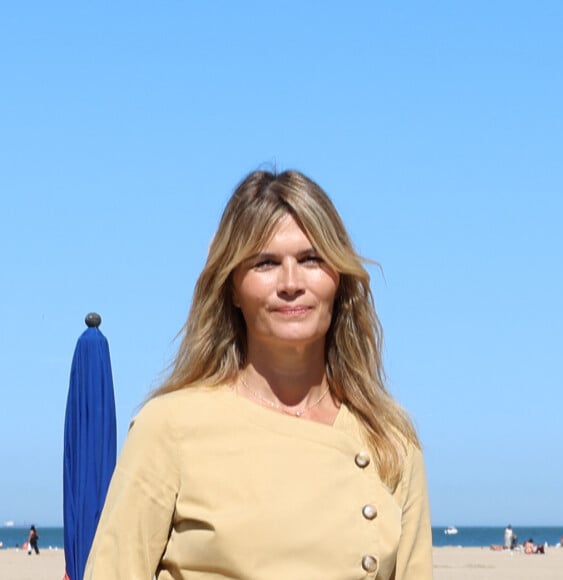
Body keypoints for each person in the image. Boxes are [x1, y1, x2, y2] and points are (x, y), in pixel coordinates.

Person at [85, 169, 433, 579]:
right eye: (266, 263)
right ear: (232, 286)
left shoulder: (389, 439)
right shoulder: (168, 428)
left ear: (338, 278)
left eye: (311, 259)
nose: (291, 283)